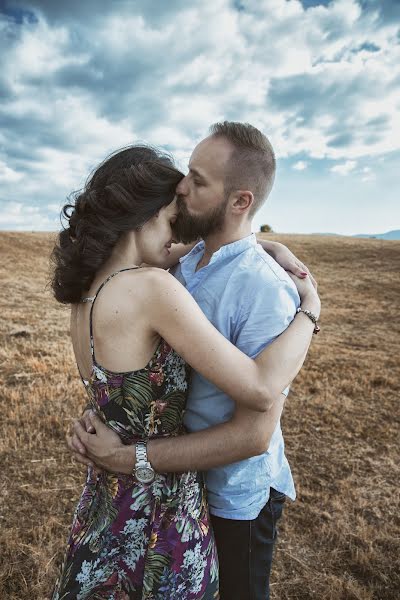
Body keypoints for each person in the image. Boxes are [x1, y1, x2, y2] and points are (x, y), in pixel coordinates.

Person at [59, 128, 320, 599]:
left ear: (240, 201)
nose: (181, 190)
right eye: (170, 208)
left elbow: (256, 430)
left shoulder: (258, 286)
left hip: (209, 496)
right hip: (160, 497)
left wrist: (293, 287)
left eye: (197, 182)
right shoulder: (165, 275)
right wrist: (312, 307)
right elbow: (257, 384)